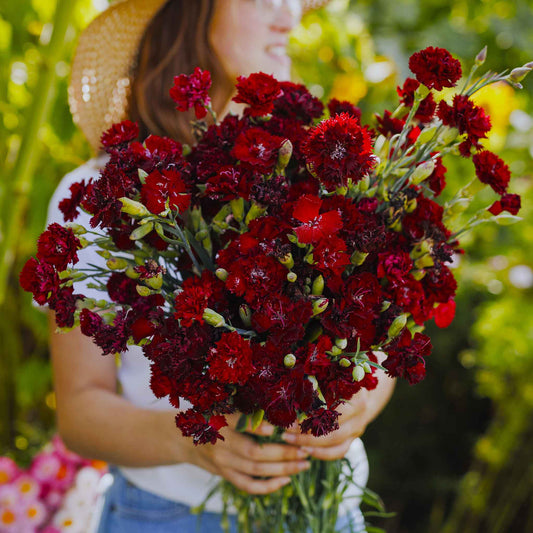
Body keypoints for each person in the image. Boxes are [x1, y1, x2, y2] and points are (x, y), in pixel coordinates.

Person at [47, 1, 396, 531]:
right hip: (169, 517)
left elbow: (383, 349)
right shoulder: (100, 196)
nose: (289, 19)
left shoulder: (324, 167)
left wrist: (356, 408)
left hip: (330, 512)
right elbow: (79, 411)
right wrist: (189, 441)